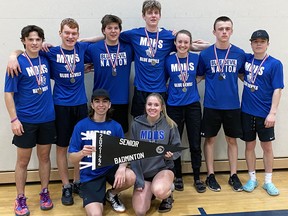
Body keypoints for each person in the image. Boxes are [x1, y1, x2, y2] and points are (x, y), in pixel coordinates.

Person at [7, 18, 92, 205]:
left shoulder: (80, 48)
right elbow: (24, 53)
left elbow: (101, 38)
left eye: (74, 33)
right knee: (59, 148)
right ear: (60, 33)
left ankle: (76, 182)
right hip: (58, 107)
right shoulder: (49, 53)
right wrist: (13, 55)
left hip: (75, 107)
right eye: (67, 33)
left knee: (79, 146)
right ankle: (64, 186)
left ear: (78, 35)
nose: (70, 36)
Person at [119, 0, 209, 118]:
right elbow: (111, 36)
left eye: (156, 13)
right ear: (143, 16)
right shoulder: (134, 34)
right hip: (141, 88)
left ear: (160, 16)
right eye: (149, 13)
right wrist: (87, 40)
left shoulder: (168, 36)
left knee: (160, 126)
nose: (153, 15)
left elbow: (187, 46)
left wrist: (213, 45)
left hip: (160, 89)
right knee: (140, 125)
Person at [4, 25, 55, 216]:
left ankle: (44, 192)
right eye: (30, 39)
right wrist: (14, 119)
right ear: (23, 40)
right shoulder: (16, 63)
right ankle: (20, 198)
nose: (34, 43)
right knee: (23, 161)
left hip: (47, 118)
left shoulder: (45, 58)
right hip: (25, 120)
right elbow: (8, 94)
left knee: (44, 158)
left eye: (37, 39)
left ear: (42, 41)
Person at [197, 16, 246, 192]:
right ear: (214, 32)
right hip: (212, 105)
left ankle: (233, 175)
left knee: (232, 140)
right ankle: (210, 175)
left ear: (231, 31)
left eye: (227, 28)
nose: (224, 32)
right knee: (210, 140)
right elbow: (198, 77)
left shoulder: (240, 53)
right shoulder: (205, 54)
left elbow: (244, 75)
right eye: (220, 29)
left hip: (233, 105)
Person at [68, 89, 136, 215]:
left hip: (110, 169)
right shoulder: (81, 126)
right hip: (90, 175)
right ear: (92, 105)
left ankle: (111, 194)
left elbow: (124, 152)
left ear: (109, 105)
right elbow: (71, 158)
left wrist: (122, 167)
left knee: (130, 176)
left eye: (105, 101)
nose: (101, 104)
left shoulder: (116, 126)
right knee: (96, 214)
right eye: (97, 101)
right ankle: (96, 195)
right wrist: (82, 153)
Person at [240, 30, 284, 196]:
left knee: (266, 147)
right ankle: (252, 178)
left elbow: (277, 90)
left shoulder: (275, 64)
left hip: (265, 114)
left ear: (267, 43)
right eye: (255, 41)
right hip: (246, 112)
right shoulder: (246, 59)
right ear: (251, 43)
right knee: (249, 146)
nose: (259, 44)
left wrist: (272, 113)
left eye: (262, 41)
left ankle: (268, 181)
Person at [165, 30, 205, 193]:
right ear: (175, 43)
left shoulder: (196, 58)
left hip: (192, 106)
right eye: (179, 42)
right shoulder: (168, 60)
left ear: (190, 44)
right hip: (174, 106)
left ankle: (197, 177)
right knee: (175, 143)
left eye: (186, 42)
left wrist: (192, 83)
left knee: (195, 143)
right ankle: (178, 176)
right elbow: (165, 79)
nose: (182, 45)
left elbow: (201, 74)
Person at [130, 93, 181, 215]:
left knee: (160, 191)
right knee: (140, 211)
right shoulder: (136, 125)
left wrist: (170, 155)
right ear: (145, 106)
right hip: (144, 173)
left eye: (156, 105)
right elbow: (132, 154)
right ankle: (150, 190)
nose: (152, 108)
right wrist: (139, 180)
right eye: (149, 104)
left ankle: (167, 193)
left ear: (162, 107)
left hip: (162, 169)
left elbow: (177, 148)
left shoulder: (170, 124)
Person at [85, 14, 134, 133]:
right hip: (100, 101)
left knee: (119, 139)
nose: (113, 31)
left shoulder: (129, 48)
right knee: (98, 137)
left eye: (116, 28)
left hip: (121, 100)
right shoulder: (94, 48)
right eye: (109, 28)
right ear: (103, 31)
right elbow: (71, 51)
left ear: (120, 30)